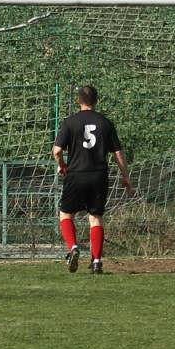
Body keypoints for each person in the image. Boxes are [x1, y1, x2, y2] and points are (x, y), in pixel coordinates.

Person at [53, 85, 134, 273]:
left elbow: (57, 151)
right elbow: (118, 153)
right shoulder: (105, 123)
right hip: (99, 175)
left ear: (78, 101)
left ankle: (73, 247)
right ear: (96, 100)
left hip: (76, 174)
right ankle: (96, 261)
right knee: (96, 218)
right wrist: (125, 177)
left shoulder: (69, 122)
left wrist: (63, 165)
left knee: (66, 214)